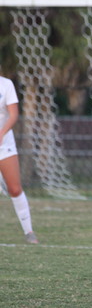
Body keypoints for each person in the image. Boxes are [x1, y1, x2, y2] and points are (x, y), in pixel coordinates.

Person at [0, 75, 38, 244]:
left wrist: (2, 133)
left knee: (14, 189)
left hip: (4, 144)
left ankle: (29, 231)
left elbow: (13, 114)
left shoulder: (6, 84)